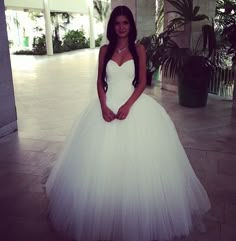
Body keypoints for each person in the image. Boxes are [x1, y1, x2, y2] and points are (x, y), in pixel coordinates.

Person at [46, 5, 211, 241]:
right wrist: (103, 106)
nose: (121, 27)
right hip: (107, 105)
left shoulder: (139, 49)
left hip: (133, 105)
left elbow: (142, 82)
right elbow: (100, 82)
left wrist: (127, 106)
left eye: (125, 23)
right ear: (112, 27)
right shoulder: (104, 50)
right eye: (117, 23)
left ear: (130, 26)